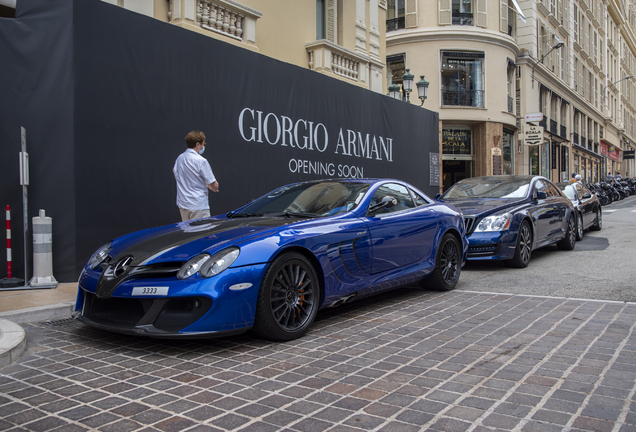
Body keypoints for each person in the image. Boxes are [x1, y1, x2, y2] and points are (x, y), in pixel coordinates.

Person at [173, 130, 219, 221]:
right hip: (198, 205)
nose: (203, 146)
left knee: (189, 234)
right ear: (198, 144)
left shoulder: (179, 158)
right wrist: (213, 188)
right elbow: (214, 184)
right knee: (202, 233)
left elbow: (177, 176)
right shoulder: (201, 161)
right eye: (203, 144)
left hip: (183, 204)